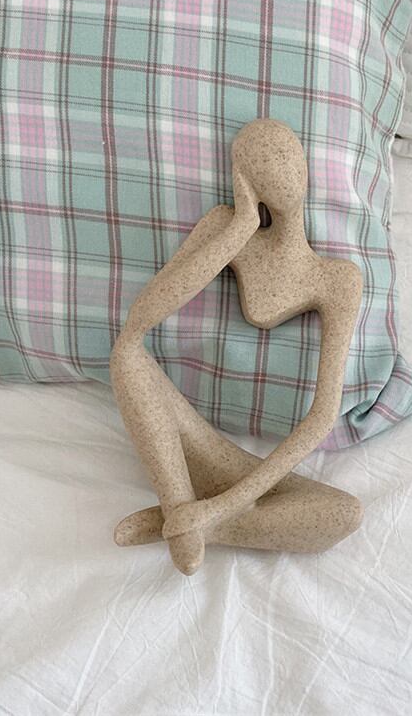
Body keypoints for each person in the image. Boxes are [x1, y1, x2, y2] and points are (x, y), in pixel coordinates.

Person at [110, 120, 364, 575]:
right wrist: (240, 227)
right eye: (264, 166)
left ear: (306, 168)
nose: (282, 173)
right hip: (193, 443)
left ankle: (187, 524)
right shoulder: (227, 228)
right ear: (246, 181)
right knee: (125, 354)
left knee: (345, 514)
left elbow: (323, 416)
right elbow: (139, 320)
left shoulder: (338, 279)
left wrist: (223, 506)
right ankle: (178, 505)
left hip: (255, 475)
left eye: (288, 159)